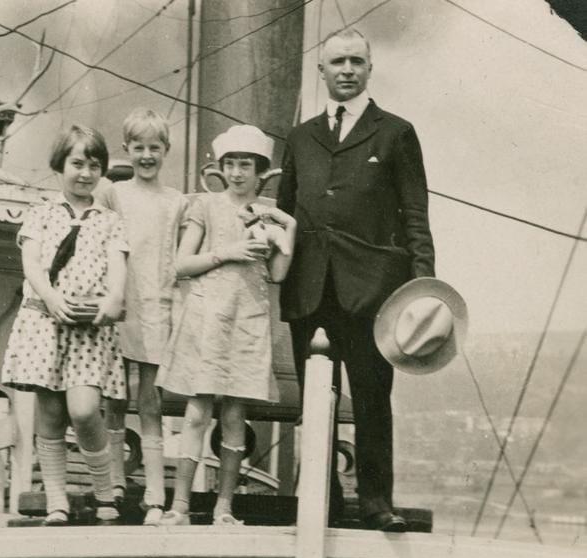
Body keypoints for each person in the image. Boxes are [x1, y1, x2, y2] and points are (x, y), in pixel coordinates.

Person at [277, 28, 435, 532]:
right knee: (314, 400)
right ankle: (319, 501)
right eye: (337, 62)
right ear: (321, 71)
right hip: (309, 285)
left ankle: (375, 502)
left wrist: (422, 287)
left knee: (371, 396)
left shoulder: (396, 132)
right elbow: (283, 215)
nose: (346, 70)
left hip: (372, 289)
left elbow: (415, 216)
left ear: (370, 69)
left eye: (356, 62)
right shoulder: (301, 137)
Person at [156, 124, 296, 526]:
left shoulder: (267, 213)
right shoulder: (205, 206)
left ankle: (224, 508)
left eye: (246, 165)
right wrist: (228, 251)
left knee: (234, 416)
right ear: (220, 168)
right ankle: (179, 506)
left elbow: (278, 273)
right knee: (198, 411)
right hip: (207, 316)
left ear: (260, 170)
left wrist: (290, 230)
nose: (237, 173)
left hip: (248, 318)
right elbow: (182, 264)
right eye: (230, 164)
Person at [2, 124, 128, 526]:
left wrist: (112, 299)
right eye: (77, 163)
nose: (85, 173)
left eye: (94, 165)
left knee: (86, 408)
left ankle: (105, 490)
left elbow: (119, 266)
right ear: (61, 165)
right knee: (52, 414)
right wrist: (52, 298)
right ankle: (57, 501)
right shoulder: (40, 214)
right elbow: (32, 262)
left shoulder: (109, 220)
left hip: (89, 329)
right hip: (46, 322)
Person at [96, 107, 188, 525]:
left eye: (154, 147)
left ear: (166, 150)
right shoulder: (114, 194)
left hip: (157, 305)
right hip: (120, 303)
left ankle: (154, 492)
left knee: (149, 400)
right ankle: (115, 483)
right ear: (126, 150)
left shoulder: (177, 202)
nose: (146, 155)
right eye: (138, 147)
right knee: (114, 397)